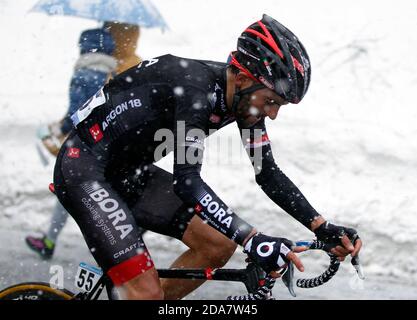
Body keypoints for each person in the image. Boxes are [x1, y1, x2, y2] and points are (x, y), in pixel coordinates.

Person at [52, 14, 362, 300]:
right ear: (241, 79)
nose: (273, 113)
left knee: (218, 245)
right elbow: (188, 183)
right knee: (145, 293)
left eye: (278, 105)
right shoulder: (195, 91)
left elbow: (267, 173)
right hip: (85, 170)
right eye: (271, 101)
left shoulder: (245, 100)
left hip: (129, 173)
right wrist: (253, 239)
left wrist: (321, 226)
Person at [26, 22, 142, 259]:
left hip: (85, 144)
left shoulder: (84, 73)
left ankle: (115, 247)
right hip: (111, 141)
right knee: (98, 193)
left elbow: (77, 112)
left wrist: (57, 129)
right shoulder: (118, 69)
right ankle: (126, 243)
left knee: (73, 189)